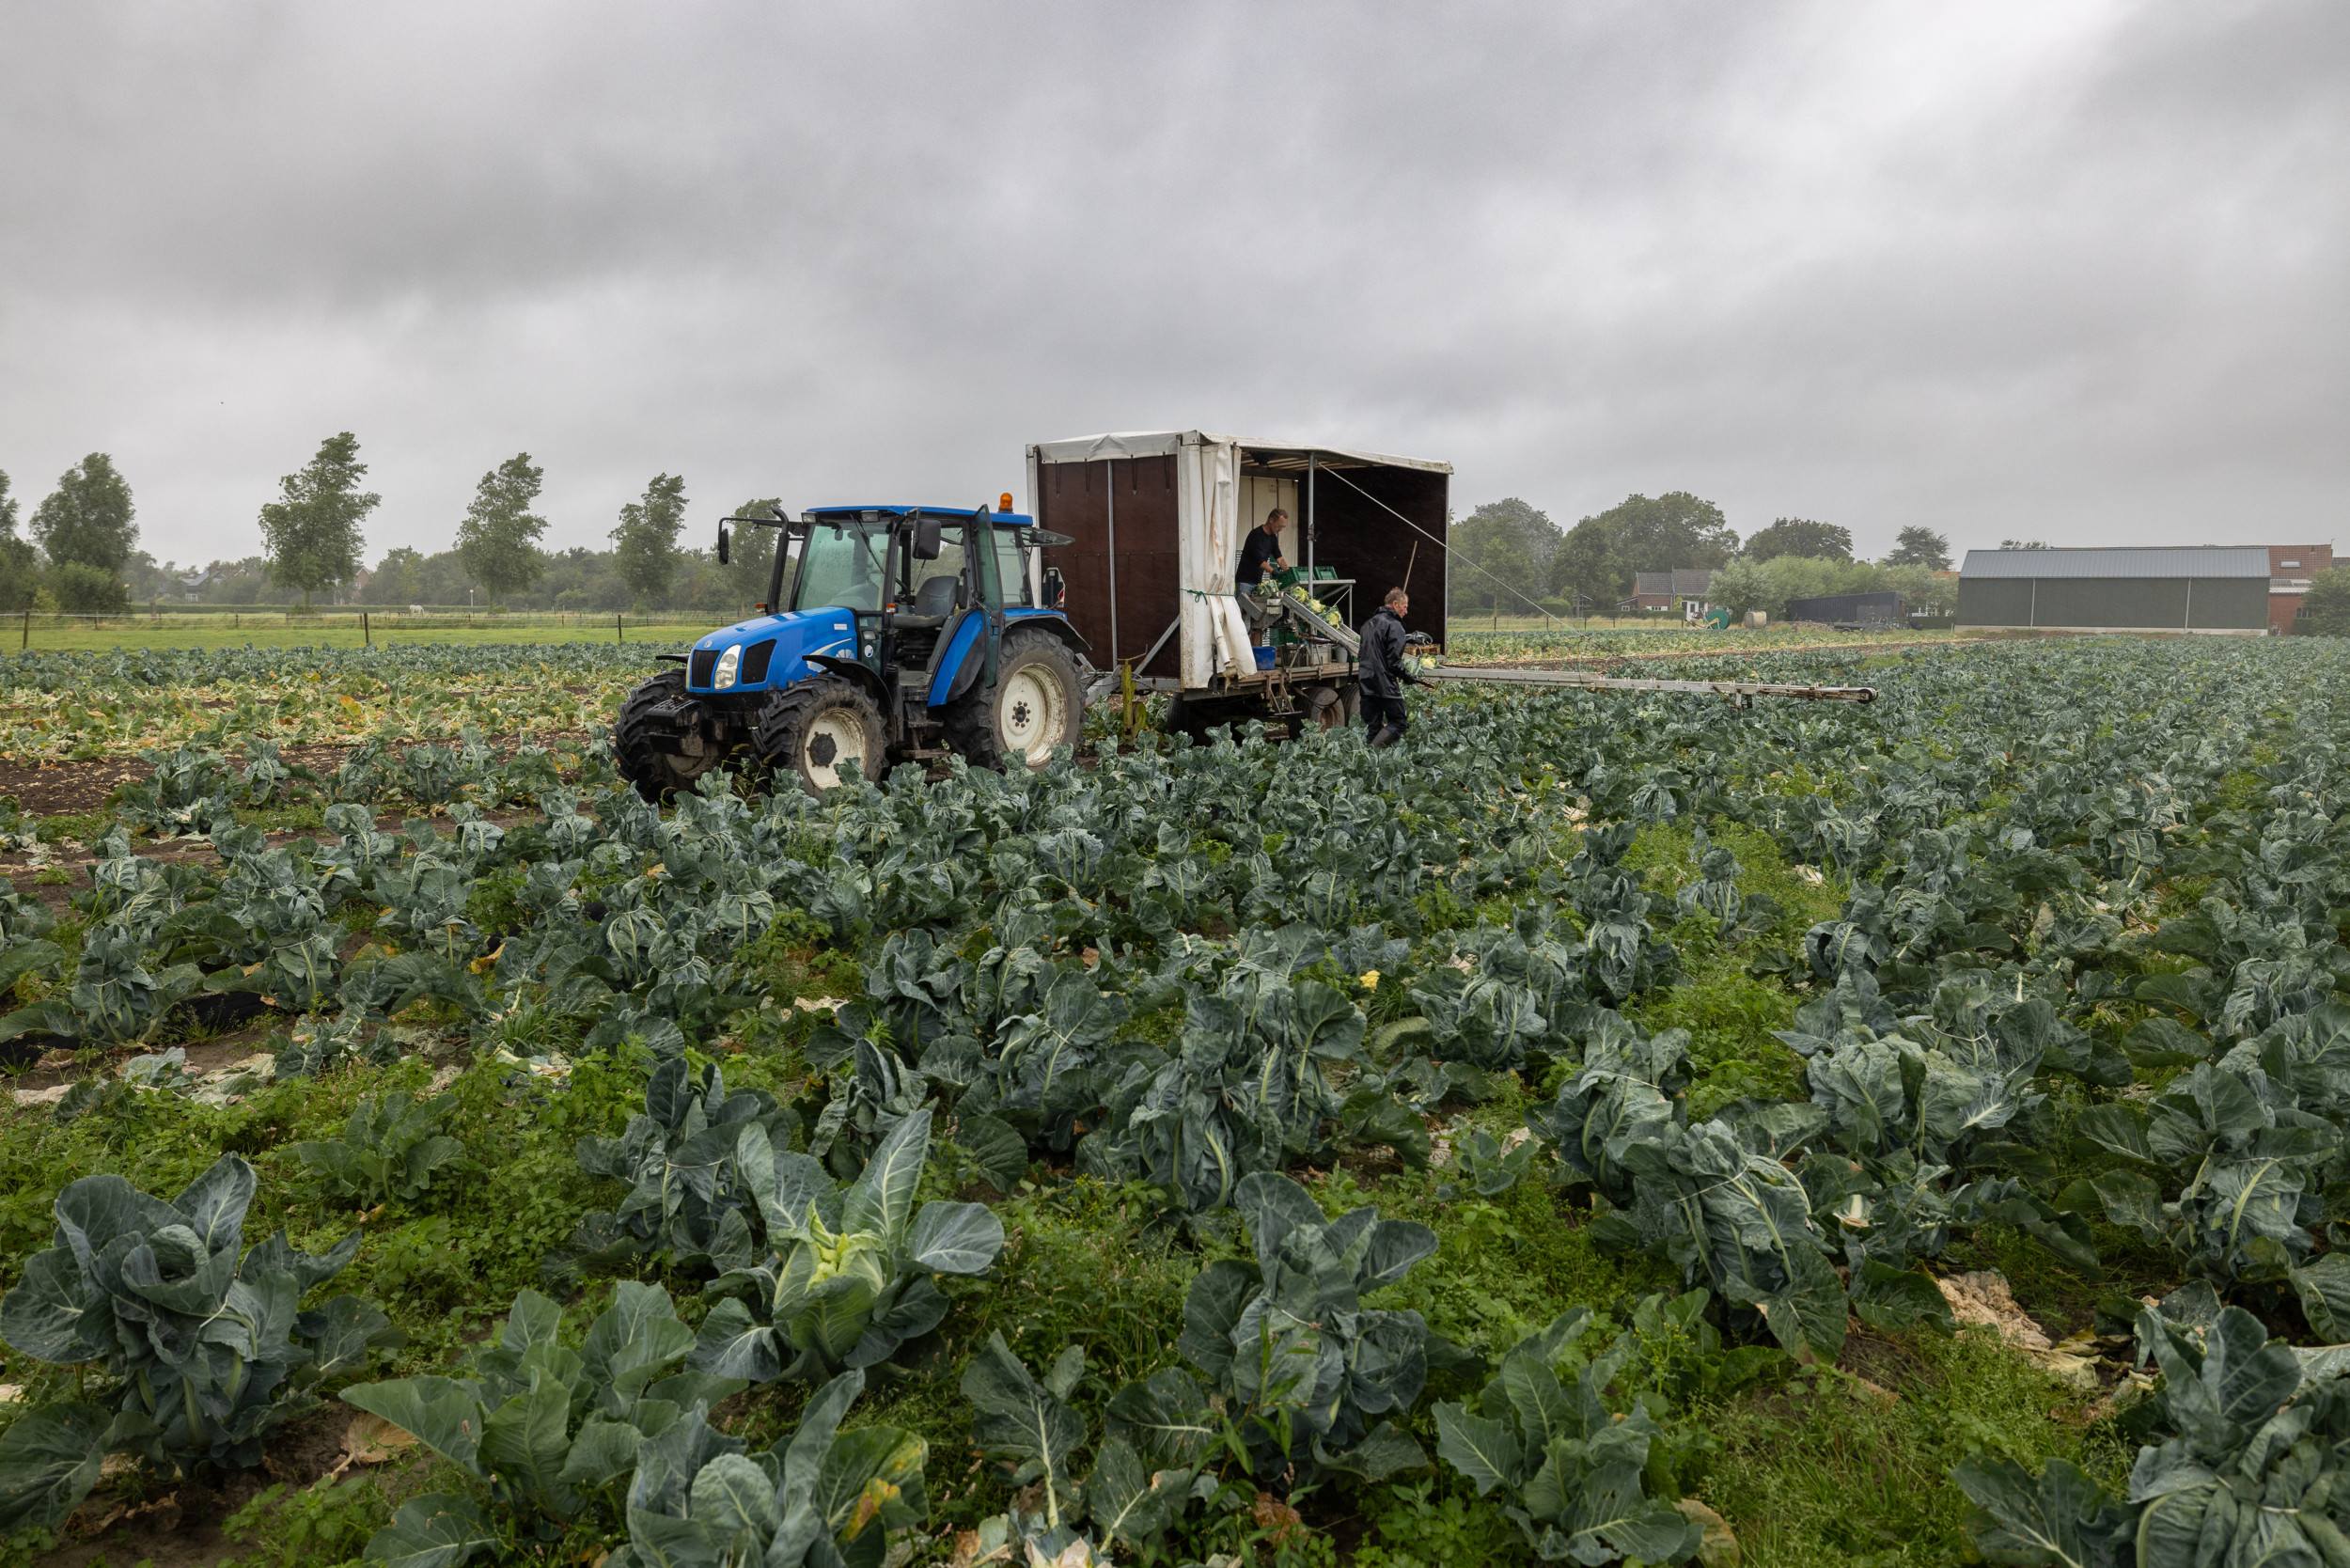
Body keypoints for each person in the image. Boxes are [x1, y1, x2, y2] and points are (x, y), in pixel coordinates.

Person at [1358, 586, 1422, 747]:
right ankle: (1376, 750)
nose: (1406, 612)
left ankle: (1369, 761)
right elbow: (1393, 661)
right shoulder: (1394, 625)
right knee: (1399, 722)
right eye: (1405, 607)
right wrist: (1408, 677)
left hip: (1366, 682)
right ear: (1395, 604)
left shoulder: (1367, 624)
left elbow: (1361, 655)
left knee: (1373, 726)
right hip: (1384, 684)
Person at [1235, 509, 1289, 588]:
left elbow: (1279, 558)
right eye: (1280, 526)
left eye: (1283, 526)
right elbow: (1259, 561)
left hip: (1257, 582)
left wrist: (1288, 573)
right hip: (1245, 582)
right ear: (1271, 520)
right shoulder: (1256, 535)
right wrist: (1273, 572)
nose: (1281, 529)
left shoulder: (1273, 538)